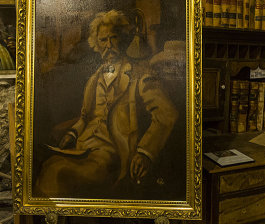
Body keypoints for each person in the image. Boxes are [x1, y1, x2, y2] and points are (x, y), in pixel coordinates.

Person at [34, 10, 178, 198]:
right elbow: (86, 117)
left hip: (112, 155)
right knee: (43, 162)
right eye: (103, 40)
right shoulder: (95, 78)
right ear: (96, 44)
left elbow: (166, 114)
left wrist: (145, 152)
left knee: (57, 172)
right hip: (83, 148)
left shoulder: (140, 74)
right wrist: (72, 133)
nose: (108, 45)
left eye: (113, 38)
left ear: (123, 39)